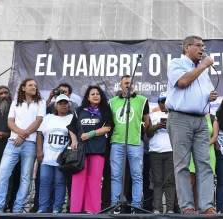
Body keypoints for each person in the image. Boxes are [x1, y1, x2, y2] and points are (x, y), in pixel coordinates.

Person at [165, 35, 218, 214]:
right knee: (182, 165)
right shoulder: (176, 64)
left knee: (205, 163)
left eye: (203, 46)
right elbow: (182, 82)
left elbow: (204, 90)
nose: (202, 49)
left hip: (202, 120)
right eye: (198, 45)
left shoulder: (202, 70)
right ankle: (187, 206)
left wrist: (210, 96)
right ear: (187, 47)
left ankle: (206, 206)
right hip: (180, 119)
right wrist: (203, 66)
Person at [0, 78, 46, 213]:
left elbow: (39, 122)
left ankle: (18, 207)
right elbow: (10, 122)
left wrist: (23, 136)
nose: (34, 87)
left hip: (30, 144)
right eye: (30, 85)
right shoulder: (15, 103)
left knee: (26, 177)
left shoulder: (41, 102)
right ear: (23, 88)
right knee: (3, 174)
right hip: (12, 143)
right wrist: (21, 134)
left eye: (35, 85)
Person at [67, 86, 113, 214]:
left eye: (97, 93)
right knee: (78, 179)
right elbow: (71, 128)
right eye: (92, 94)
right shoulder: (79, 110)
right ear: (87, 97)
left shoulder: (105, 110)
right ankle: (76, 210)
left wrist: (91, 133)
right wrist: (74, 140)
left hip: (98, 149)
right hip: (81, 150)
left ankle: (92, 210)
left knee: (95, 180)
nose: (95, 96)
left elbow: (108, 128)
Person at [109, 75, 150, 214]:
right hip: (116, 142)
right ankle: (116, 205)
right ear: (120, 86)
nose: (129, 85)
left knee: (137, 175)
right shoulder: (112, 102)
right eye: (126, 83)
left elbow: (147, 122)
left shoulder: (142, 100)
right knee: (116, 175)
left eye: (131, 83)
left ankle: (136, 206)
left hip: (135, 142)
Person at [36, 94, 73, 213]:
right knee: (45, 182)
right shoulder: (48, 118)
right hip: (47, 157)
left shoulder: (72, 118)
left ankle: (57, 208)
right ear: (56, 106)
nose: (63, 105)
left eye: (65, 103)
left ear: (68, 105)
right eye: (60, 103)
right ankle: (43, 208)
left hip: (62, 159)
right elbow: (40, 134)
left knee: (59, 183)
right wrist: (39, 151)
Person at [146, 92, 175, 214]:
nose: (164, 104)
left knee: (169, 182)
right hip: (155, 151)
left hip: (171, 151)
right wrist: (156, 127)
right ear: (158, 103)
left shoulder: (176, 116)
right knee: (157, 181)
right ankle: (157, 208)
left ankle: (170, 209)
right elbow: (148, 133)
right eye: (162, 101)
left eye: (166, 101)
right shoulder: (153, 115)